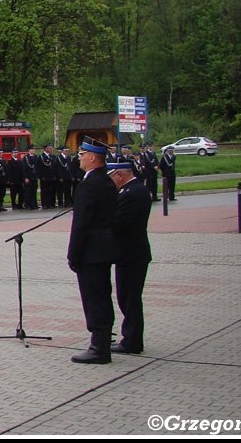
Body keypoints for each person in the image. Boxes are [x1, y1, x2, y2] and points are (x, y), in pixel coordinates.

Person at [67, 137, 119, 364]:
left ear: (91, 158)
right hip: (105, 247)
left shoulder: (88, 185)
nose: (79, 158)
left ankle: (99, 349)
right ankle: (103, 343)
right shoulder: (107, 181)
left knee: (93, 297)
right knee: (102, 295)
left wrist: (73, 254)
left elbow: (81, 224)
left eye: (82, 155)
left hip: (90, 249)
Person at [107, 160, 152, 355]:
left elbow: (118, 223)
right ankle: (131, 338)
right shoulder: (135, 190)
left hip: (131, 253)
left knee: (129, 298)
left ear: (120, 175)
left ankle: (132, 341)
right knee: (128, 297)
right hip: (132, 253)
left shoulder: (132, 193)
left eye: (111, 178)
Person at [38, 143, 55, 209]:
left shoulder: (51, 156)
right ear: (46, 149)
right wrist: (41, 176)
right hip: (44, 177)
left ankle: (49, 203)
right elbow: (40, 167)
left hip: (50, 176)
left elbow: (53, 167)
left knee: (50, 190)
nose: (51, 149)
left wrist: (53, 175)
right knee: (44, 190)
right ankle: (44, 204)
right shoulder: (41, 157)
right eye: (50, 148)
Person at [22, 145, 39, 210]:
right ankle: (27, 204)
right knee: (28, 191)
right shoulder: (26, 158)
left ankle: (34, 204)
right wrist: (25, 177)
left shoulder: (36, 157)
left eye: (34, 149)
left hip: (34, 177)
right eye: (32, 149)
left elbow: (37, 167)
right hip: (28, 177)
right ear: (29, 150)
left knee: (34, 191)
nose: (33, 150)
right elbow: (24, 168)